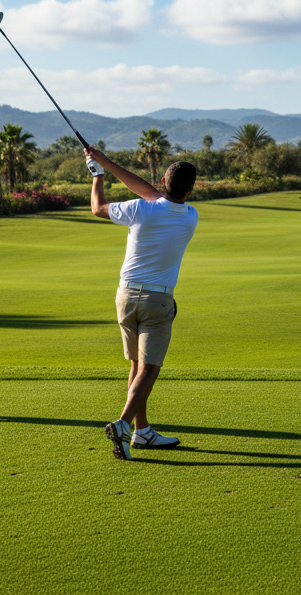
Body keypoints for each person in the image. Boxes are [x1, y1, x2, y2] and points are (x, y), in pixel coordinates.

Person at [85, 145, 199, 460]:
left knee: (136, 366)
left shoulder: (140, 209)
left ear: (163, 180)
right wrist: (105, 163)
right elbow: (153, 194)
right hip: (157, 299)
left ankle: (142, 431)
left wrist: (99, 174)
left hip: (125, 296)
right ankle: (123, 424)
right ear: (191, 190)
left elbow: (98, 208)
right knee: (149, 369)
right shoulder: (191, 216)